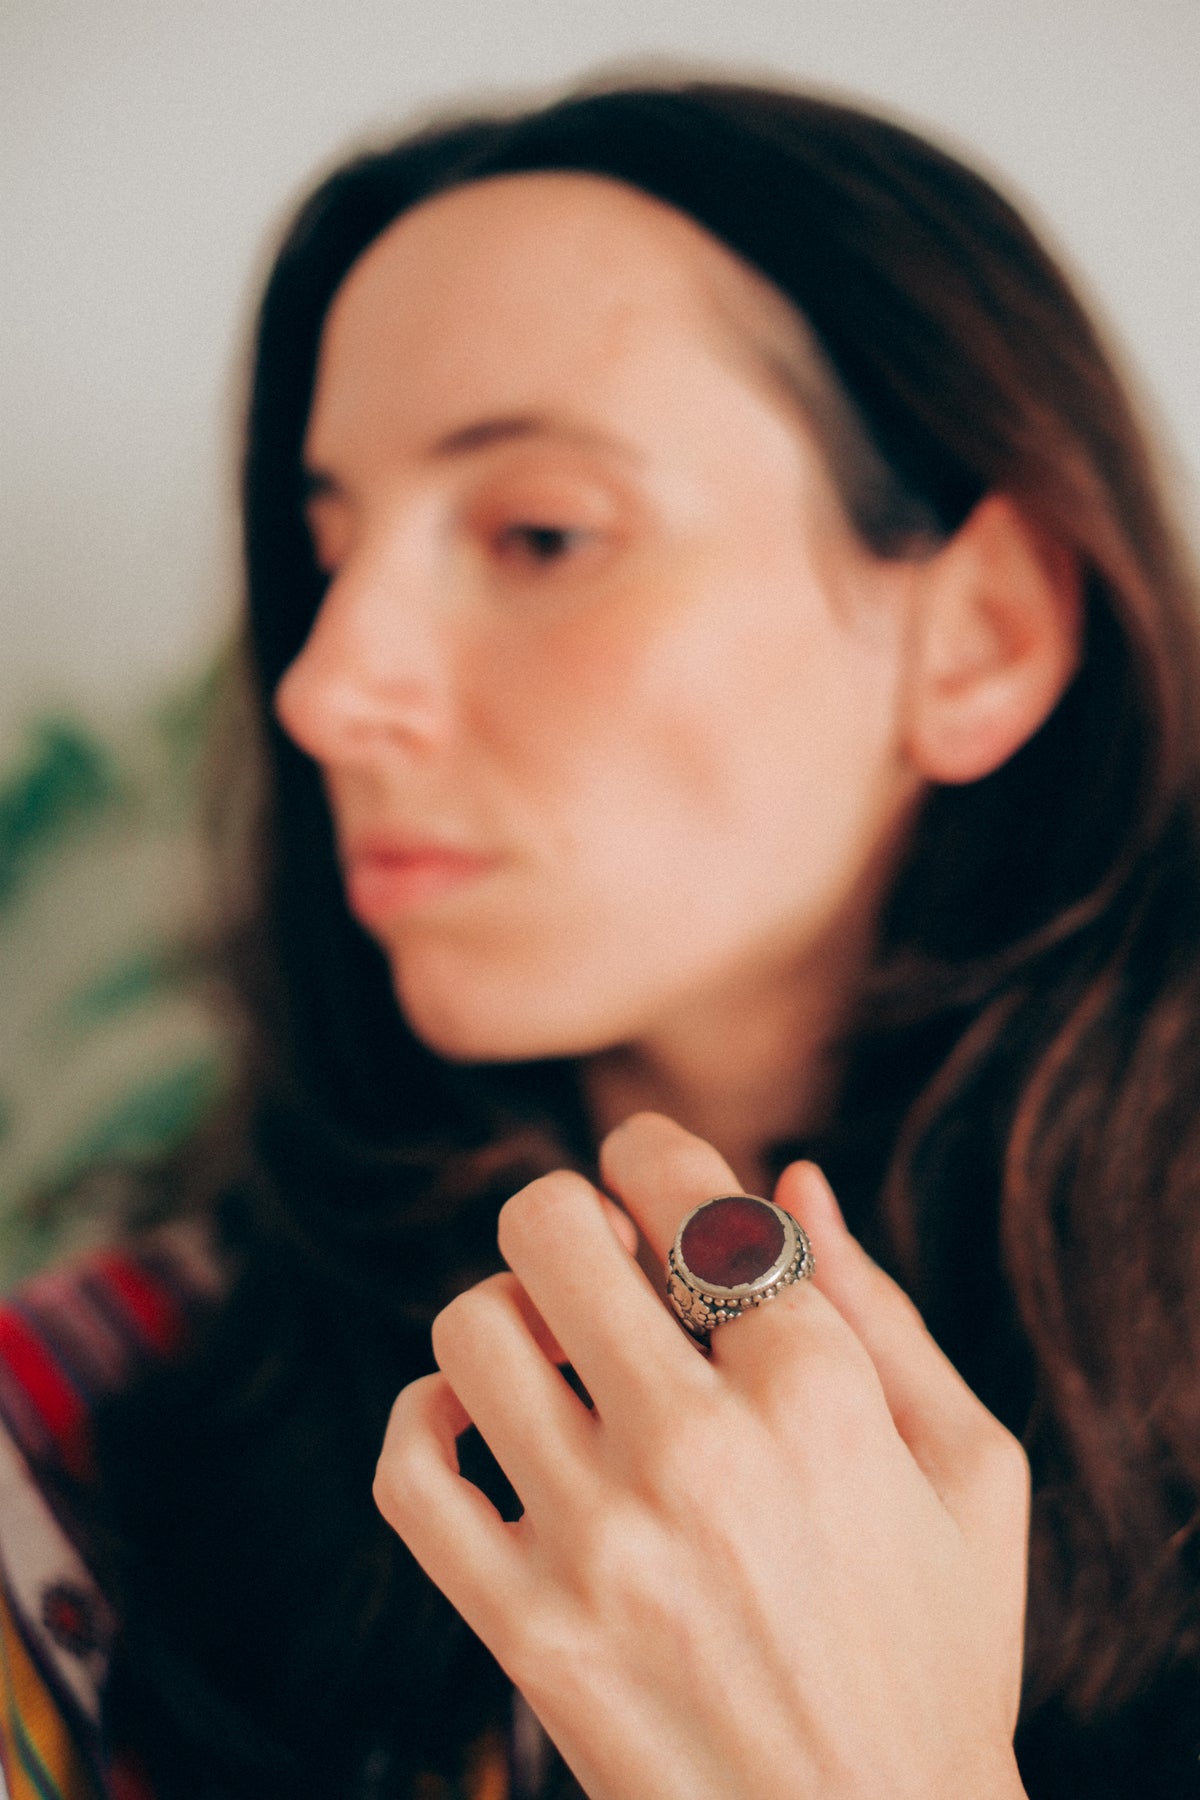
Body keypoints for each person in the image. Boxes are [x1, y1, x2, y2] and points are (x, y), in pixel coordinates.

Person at [2, 75, 1199, 1800]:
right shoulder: (80, 1447)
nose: (327, 690)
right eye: (323, 556)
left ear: (982, 634)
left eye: (542, 533)